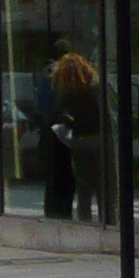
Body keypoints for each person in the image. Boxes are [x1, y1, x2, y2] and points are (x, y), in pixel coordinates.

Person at [29, 45, 100, 222]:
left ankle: (61, 215)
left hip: (61, 133)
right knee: (98, 184)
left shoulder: (53, 78)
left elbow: (47, 107)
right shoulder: (90, 84)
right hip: (92, 135)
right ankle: (105, 220)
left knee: (70, 182)